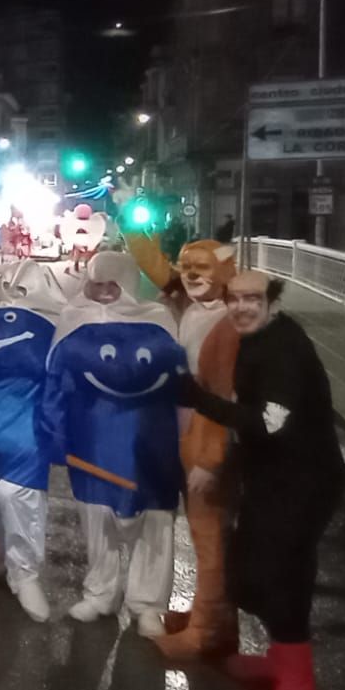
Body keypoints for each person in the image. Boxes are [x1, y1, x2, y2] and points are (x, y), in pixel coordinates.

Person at [177, 272, 343, 690]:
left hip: (304, 483)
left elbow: (269, 425)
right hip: (272, 479)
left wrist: (199, 401)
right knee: (250, 575)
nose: (242, 307)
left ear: (271, 302)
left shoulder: (283, 351)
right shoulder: (256, 338)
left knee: (283, 578)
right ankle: (279, 660)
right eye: (235, 299)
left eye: (253, 299)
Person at [43, 251, 184, 637]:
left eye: (113, 284)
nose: (105, 293)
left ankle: (148, 606)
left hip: (152, 441)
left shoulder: (158, 319)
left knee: (154, 524)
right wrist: (54, 434)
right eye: (98, 284)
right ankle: (101, 593)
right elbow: (54, 383)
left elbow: (183, 383)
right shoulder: (72, 319)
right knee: (98, 518)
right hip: (92, 441)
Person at [126, 236, 241, 660]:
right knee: (197, 530)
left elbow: (226, 398)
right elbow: (161, 270)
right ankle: (206, 615)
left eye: (203, 267)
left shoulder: (230, 321)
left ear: (224, 272)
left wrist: (211, 459)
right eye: (187, 265)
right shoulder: (188, 303)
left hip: (208, 436)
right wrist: (132, 218)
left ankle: (209, 630)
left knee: (209, 535)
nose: (191, 274)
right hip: (177, 428)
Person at [0, 261, 62, 621]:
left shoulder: (54, 327)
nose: (15, 295)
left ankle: (26, 573)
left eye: (24, 289)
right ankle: (7, 554)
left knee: (18, 497)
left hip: (27, 425)